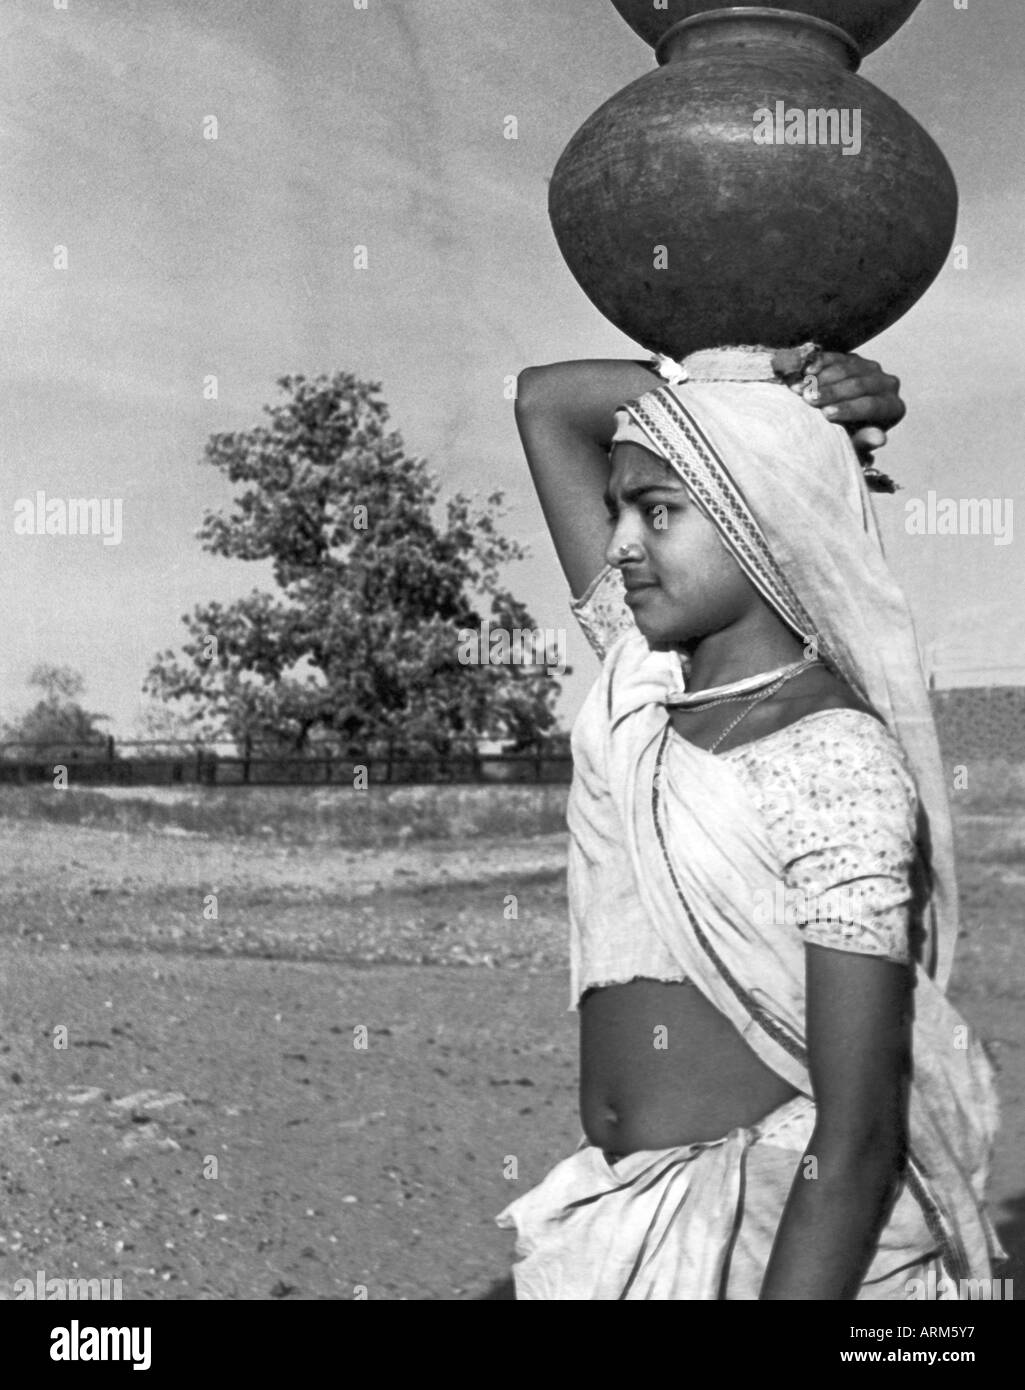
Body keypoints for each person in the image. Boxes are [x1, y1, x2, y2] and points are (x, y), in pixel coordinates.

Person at [495, 345, 1001, 1300]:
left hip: (777, 1244)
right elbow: (546, 402)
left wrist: (766, 423)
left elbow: (854, 1137)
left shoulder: (832, 756)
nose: (618, 545)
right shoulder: (642, 686)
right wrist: (757, 385)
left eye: (658, 512)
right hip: (626, 1219)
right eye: (616, 511)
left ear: (762, 514)